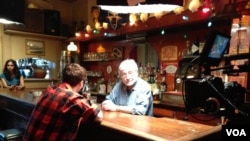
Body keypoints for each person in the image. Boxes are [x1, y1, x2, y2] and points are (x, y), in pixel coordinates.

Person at [23, 63, 103, 141]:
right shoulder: (72, 98)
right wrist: (93, 104)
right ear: (81, 83)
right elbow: (98, 117)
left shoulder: (49, 90)